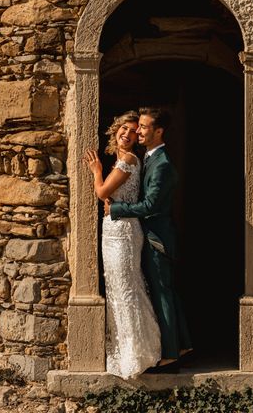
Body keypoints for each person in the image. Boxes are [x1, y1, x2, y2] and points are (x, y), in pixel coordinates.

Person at [106, 107, 193, 373]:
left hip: (157, 238)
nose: (138, 132)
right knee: (164, 291)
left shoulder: (163, 163)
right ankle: (181, 345)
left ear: (159, 131)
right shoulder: (151, 157)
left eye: (143, 127)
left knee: (162, 293)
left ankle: (170, 357)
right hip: (148, 235)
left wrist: (116, 210)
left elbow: (151, 204)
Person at [83, 110, 161, 379]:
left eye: (132, 131)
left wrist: (96, 171)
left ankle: (138, 353)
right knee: (120, 289)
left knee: (127, 290)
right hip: (114, 230)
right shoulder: (124, 159)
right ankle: (128, 350)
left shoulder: (127, 160)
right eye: (123, 129)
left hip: (123, 233)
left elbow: (102, 193)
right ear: (115, 130)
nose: (127, 134)